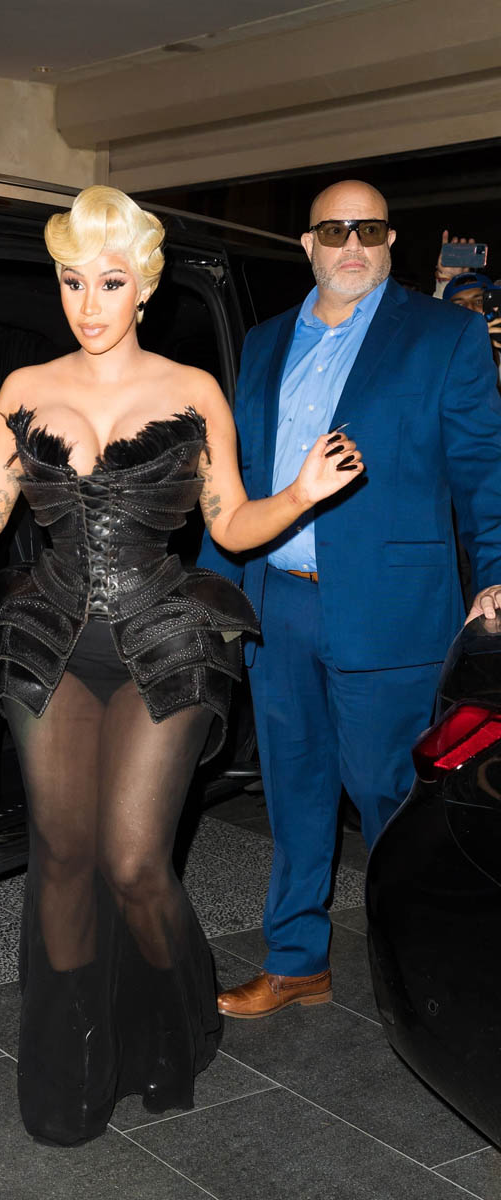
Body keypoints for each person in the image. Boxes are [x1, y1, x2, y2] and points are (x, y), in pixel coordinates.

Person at [0, 185, 362, 1145]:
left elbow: (231, 524)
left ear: (143, 285)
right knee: (61, 856)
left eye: (108, 281)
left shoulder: (193, 390)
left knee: (136, 861)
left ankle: (175, 1015)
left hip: (164, 639)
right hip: (48, 640)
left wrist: (301, 493)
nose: (88, 303)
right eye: (71, 281)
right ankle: (74, 1065)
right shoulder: (26, 388)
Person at [199, 179, 501, 1020]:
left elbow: (484, 469)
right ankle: (296, 961)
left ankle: (424, 974)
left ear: (391, 240)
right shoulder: (264, 341)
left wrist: (495, 572)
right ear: (309, 245)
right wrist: (210, 590)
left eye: (369, 229)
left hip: (391, 606)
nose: (353, 244)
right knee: (293, 788)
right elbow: (239, 478)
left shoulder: (444, 334)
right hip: (280, 603)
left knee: (388, 797)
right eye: (334, 230)